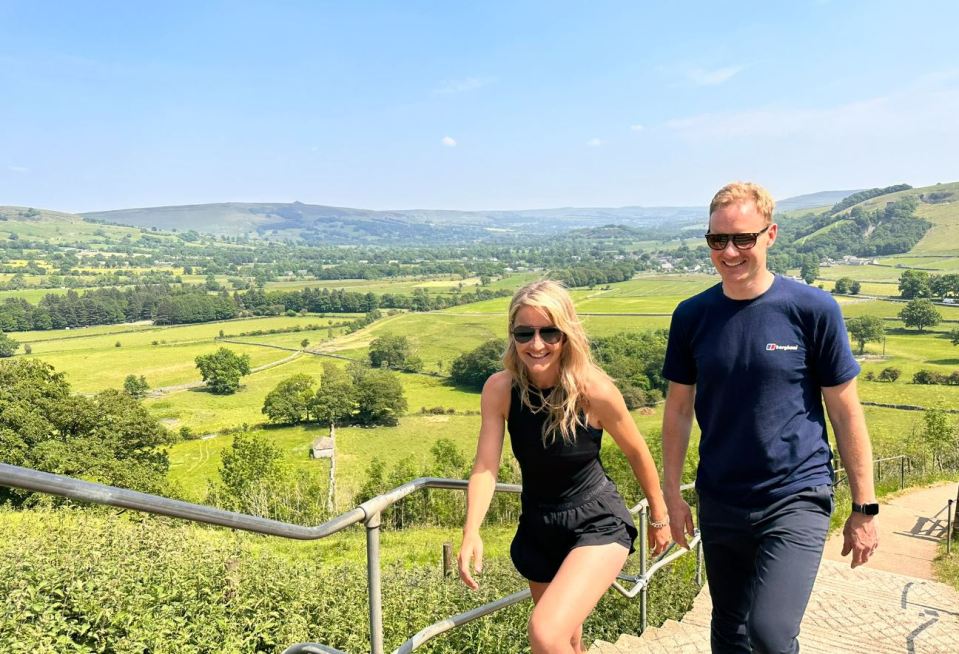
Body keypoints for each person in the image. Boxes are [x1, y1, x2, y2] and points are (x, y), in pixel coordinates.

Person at [661, 181, 879, 653]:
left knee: (770, 632)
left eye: (744, 238)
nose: (730, 251)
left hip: (795, 494)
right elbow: (678, 411)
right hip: (721, 497)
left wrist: (865, 508)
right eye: (718, 240)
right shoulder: (692, 316)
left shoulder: (812, 310)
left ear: (771, 234)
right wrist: (670, 496)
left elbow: (845, 413)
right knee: (729, 633)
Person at [458, 279, 670, 654]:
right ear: (512, 335)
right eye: (524, 333)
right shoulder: (500, 389)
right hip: (539, 525)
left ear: (566, 333)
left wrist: (659, 516)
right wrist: (471, 530)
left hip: (597, 522)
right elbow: (486, 466)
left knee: (544, 633)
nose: (536, 345)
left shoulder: (594, 391)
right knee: (568, 639)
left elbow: (637, 452)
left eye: (549, 332)